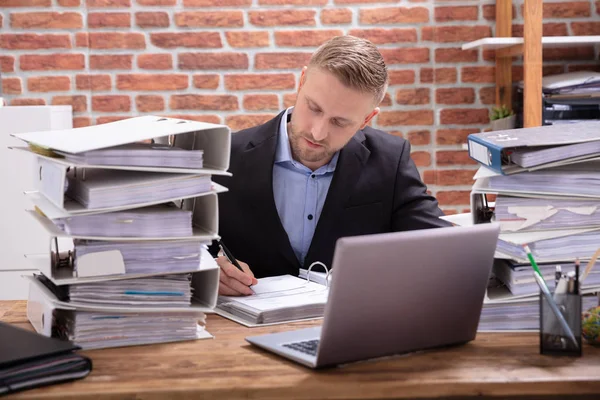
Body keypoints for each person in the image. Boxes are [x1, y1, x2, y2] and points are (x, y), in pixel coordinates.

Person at [213, 35, 452, 296]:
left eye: (339, 122)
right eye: (313, 108)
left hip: (351, 328)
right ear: (302, 82)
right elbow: (185, 248)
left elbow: (441, 248)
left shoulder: (390, 160)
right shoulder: (225, 157)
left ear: (366, 119)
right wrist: (207, 269)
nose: (318, 133)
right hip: (242, 329)